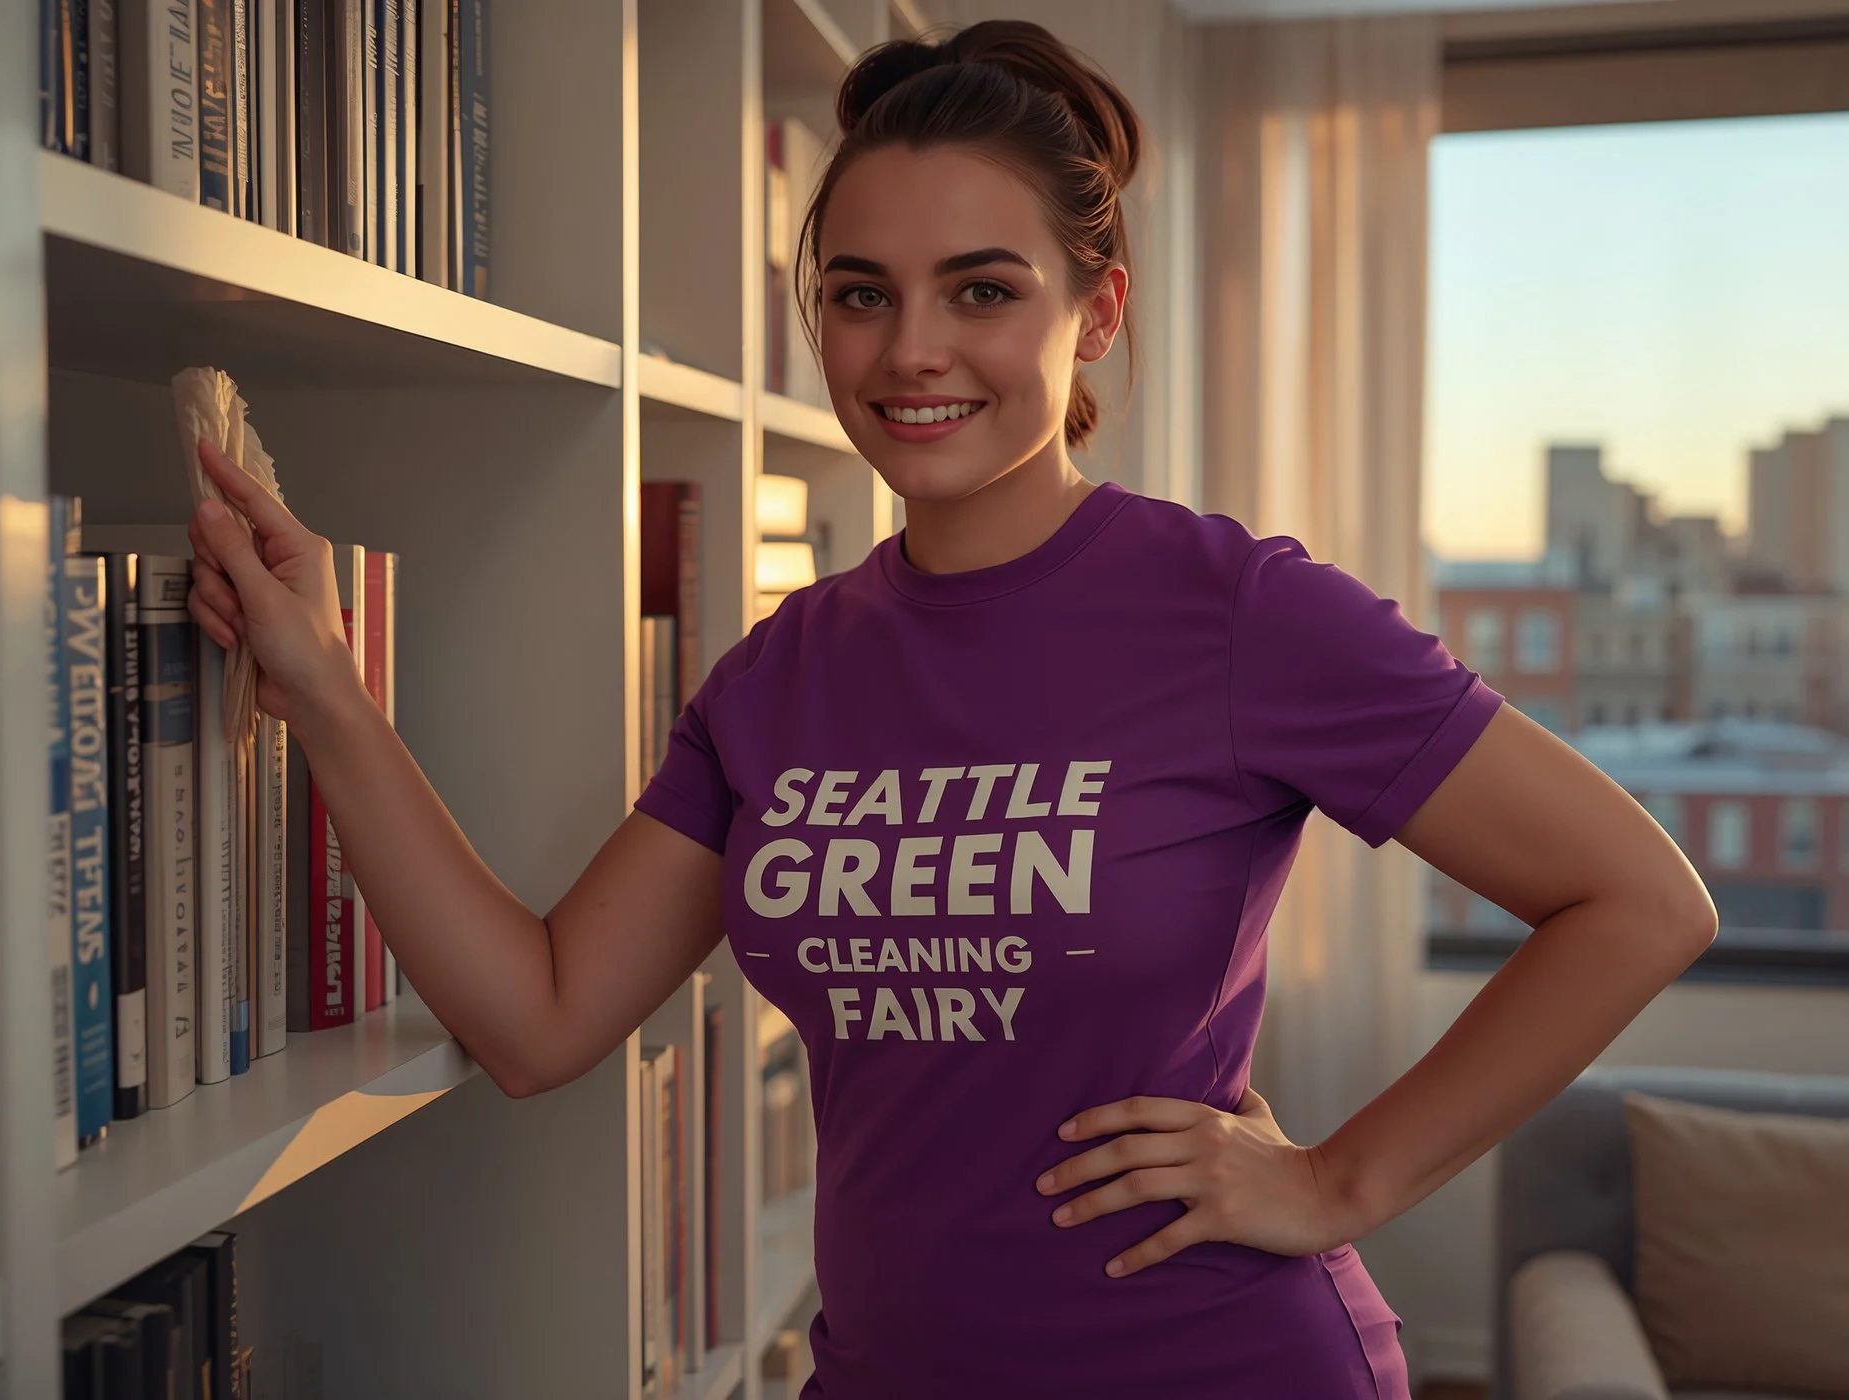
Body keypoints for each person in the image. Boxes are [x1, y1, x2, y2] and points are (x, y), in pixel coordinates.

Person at [182, 18, 1717, 1398]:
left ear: (1096, 313)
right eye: (863, 295)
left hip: (1217, 1366)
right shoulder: (779, 676)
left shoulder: (1241, 611)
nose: (911, 350)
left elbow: (1638, 901)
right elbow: (538, 1016)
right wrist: (325, 691)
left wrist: (1337, 1184)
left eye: (983, 290)